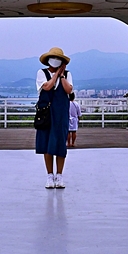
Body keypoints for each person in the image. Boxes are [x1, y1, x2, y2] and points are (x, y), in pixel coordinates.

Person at [35, 46, 73, 189]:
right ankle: (49, 175)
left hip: (61, 112)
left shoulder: (68, 74)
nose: (55, 60)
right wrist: (56, 74)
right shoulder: (42, 73)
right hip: (46, 113)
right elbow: (47, 87)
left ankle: (60, 175)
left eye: (58, 59)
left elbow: (69, 90)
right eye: (53, 58)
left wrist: (62, 75)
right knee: (46, 144)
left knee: (60, 143)